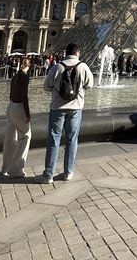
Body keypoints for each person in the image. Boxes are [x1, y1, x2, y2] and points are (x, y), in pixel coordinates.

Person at [37, 43, 93, 183]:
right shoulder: (83, 66)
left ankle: (48, 174)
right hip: (75, 108)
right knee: (72, 140)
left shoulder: (57, 66)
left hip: (57, 108)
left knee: (53, 140)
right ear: (78, 53)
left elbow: (46, 86)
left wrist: (57, 90)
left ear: (65, 52)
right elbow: (90, 85)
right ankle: (68, 172)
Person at [1, 57, 32, 178]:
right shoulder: (24, 77)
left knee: (9, 139)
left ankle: (5, 168)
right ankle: (16, 169)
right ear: (28, 66)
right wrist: (28, 114)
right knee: (25, 137)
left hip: (10, 107)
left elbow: (10, 94)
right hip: (19, 108)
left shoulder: (15, 76)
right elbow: (24, 96)